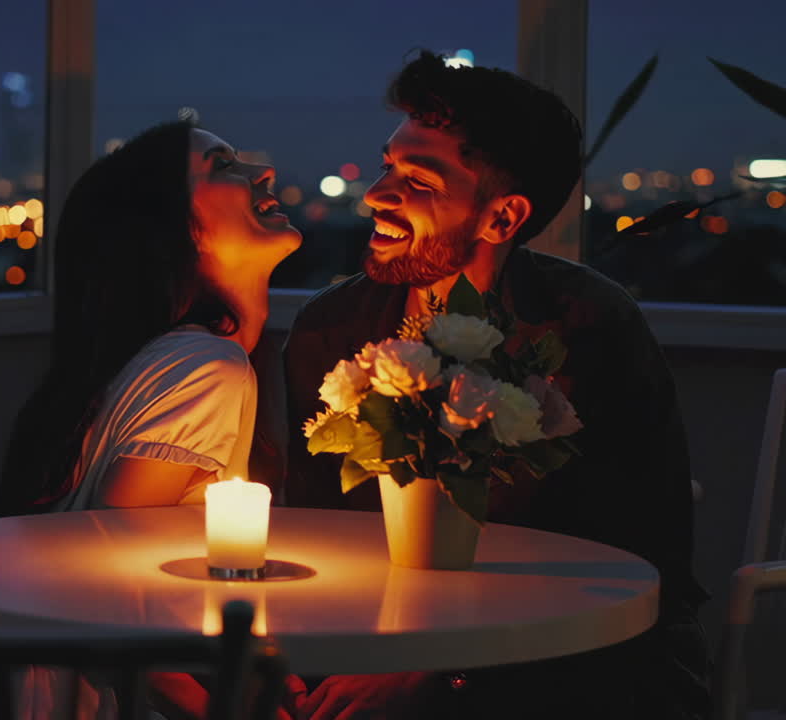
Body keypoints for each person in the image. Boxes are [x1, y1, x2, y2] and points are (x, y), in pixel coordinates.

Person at [282, 50, 711, 719]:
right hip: (360, 647)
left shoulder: (586, 330)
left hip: (562, 671)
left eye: (417, 180)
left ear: (502, 218)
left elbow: (631, 563)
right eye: (387, 165)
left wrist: (441, 671)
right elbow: (303, 528)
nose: (374, 194)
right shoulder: (331, 329)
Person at [0, 120, 302, 719]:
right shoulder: (203, 366)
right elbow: (118, 597)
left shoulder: (166, 354)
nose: (263, 172)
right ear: (175, 228)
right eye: (222, 166)